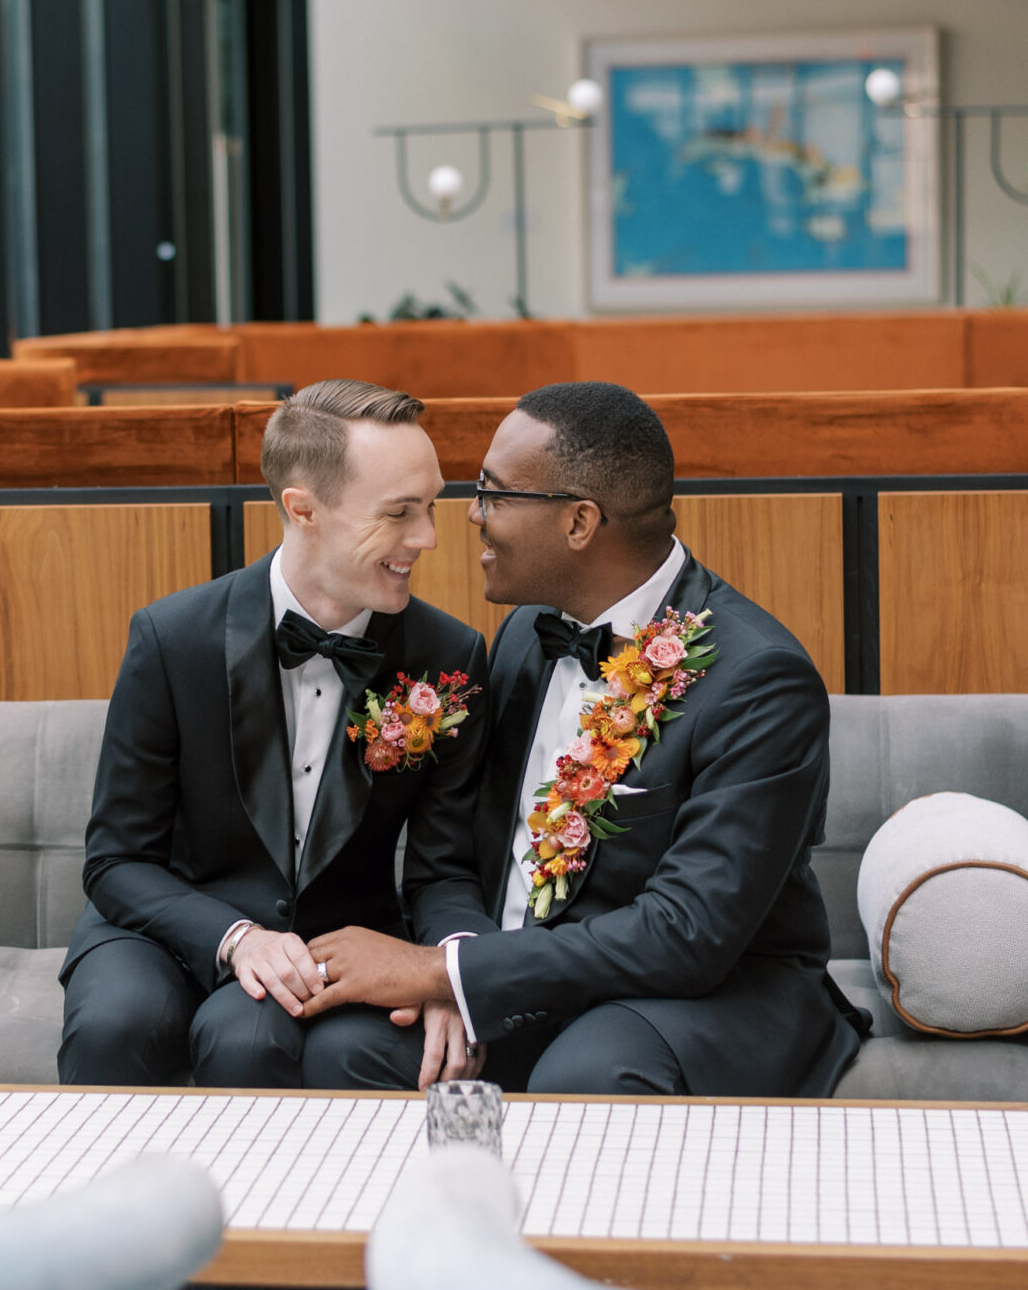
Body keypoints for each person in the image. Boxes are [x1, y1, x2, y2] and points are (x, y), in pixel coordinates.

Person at [58, 378, 491, 1290]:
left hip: (322, 944)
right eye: (400, 511)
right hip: (168, 917)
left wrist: (449, 967)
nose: (428, 535)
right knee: (115, 1023)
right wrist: (233, 935)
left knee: (245, 1035)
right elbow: (114, 856)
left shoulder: (446, 657)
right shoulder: (171, 637)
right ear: (301, 507)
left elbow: (444, 864)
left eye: (432, 503)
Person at [299, 380, 866, 1098]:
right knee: (345, 1048)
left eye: (494, 493)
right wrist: (461, 966)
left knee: (588, 1073)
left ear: (579, 522)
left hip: (704, 991)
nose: (472, 516)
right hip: (520, 978)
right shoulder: (519, 641)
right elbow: (450, 854)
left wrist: (445, 975)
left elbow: (688, 931)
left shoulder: (760, 681)